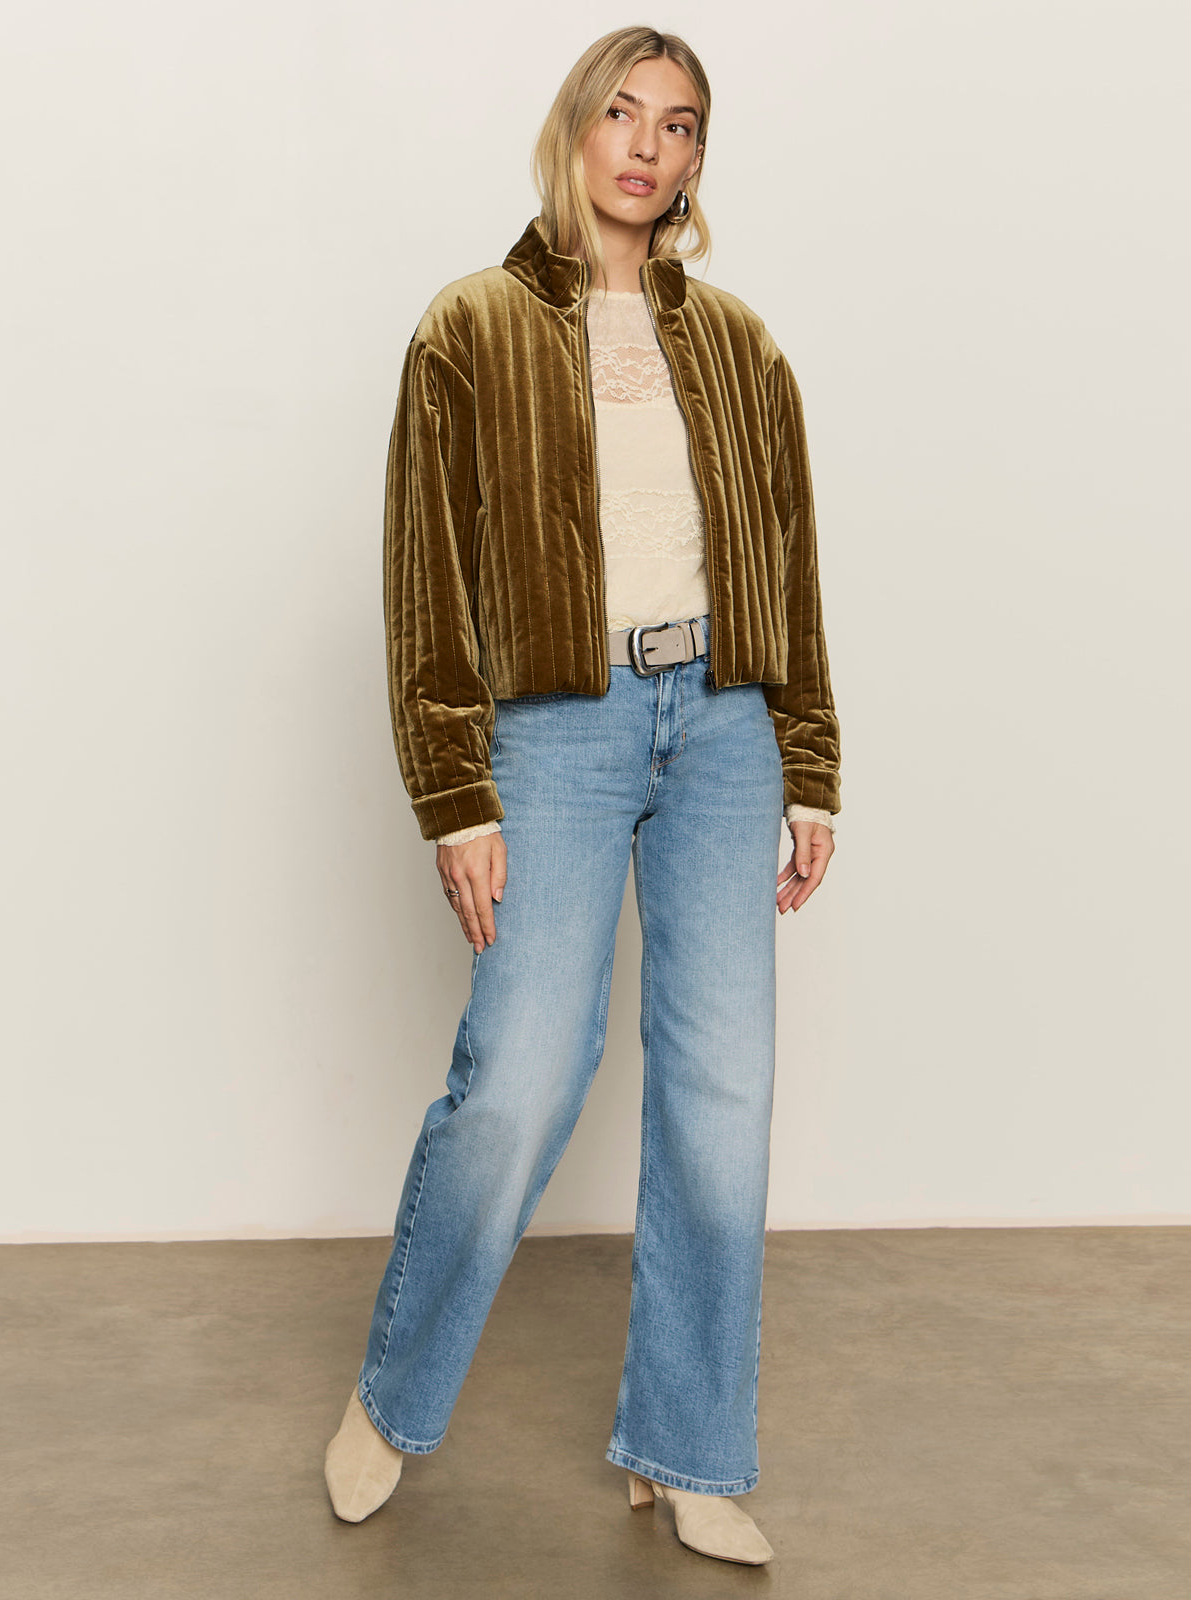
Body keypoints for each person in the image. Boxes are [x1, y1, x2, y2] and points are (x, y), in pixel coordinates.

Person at [323, 25, 841, 1567]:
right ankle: (394, 1398)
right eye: (622, 113)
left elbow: (790, 563)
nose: (647, 146)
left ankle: (687, 1451)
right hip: (558, 726)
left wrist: (808, 762)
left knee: (723, 1090)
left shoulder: (742, 346)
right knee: (524, 1073)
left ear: (696, 160)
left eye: (678, 125)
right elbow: (424, 579)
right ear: (575, 129)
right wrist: (454, 795)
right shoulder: (469, 329)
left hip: (726, 724)